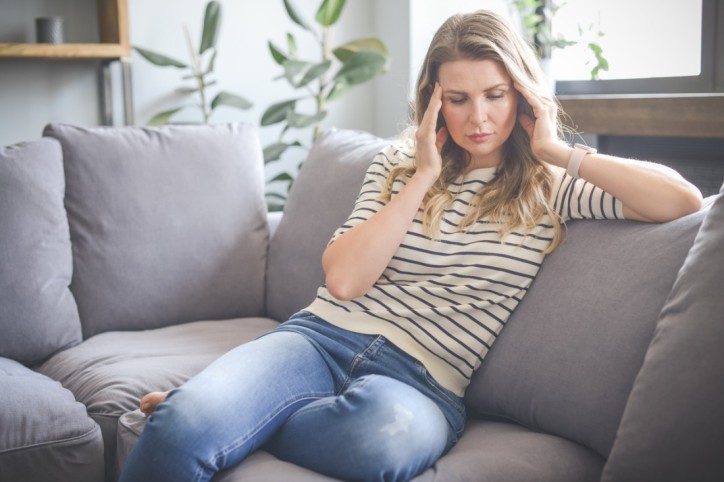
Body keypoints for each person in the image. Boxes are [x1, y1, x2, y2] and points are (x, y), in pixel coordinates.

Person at [119, 9, 702, 482]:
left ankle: (243, 411)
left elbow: (682, 201)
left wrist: (555, 150)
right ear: (433, 102)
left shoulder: (553, 187)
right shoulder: (397, 165)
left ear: (522, 94)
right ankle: (215, 409)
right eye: (458, 98)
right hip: (320, 339)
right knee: (181, 428)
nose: (479, 117)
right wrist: (423, 174)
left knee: (380, 442)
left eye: (495, 95)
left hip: (423, 382)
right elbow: (344, 281)